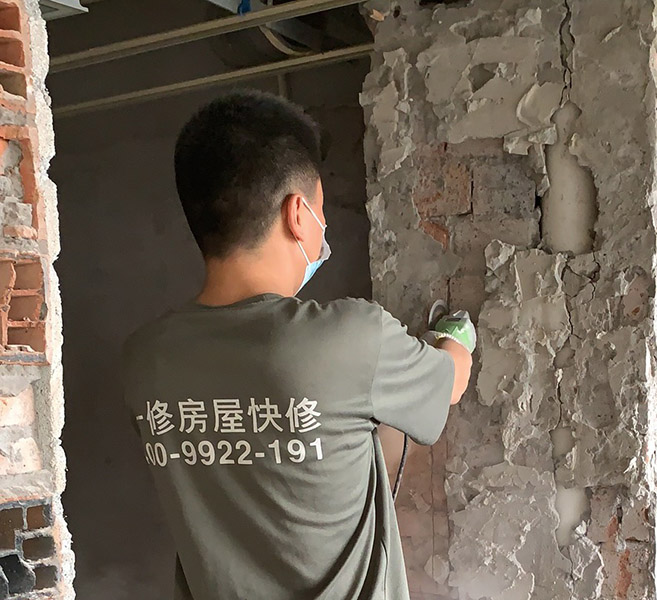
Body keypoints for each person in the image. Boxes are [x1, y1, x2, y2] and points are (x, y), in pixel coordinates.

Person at [122, 90, 475, 600]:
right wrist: (454, 338)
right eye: (321, 210)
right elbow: (450, 382)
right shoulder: (351, 339)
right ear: (298, 214)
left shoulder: (144, 360)